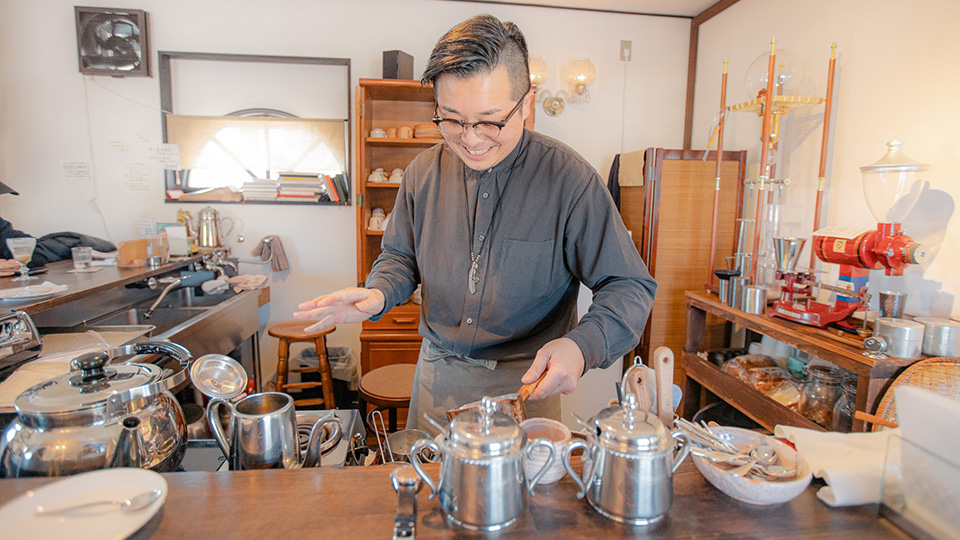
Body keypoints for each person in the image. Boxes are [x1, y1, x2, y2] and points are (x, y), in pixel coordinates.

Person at [295, 14, 657, 429]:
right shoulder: (421, 173)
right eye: (451, 119)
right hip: (438, 373)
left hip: (527, 384)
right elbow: (400, 256)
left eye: (489, 120)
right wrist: (378, 293)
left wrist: (581, 347)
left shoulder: (570, 180)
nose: (470, 138)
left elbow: (628, 285)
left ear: (527, 104)